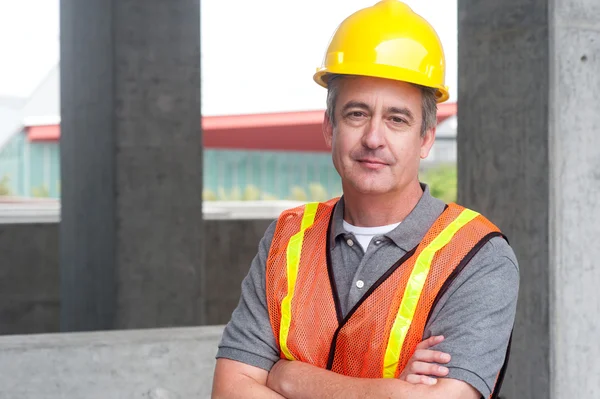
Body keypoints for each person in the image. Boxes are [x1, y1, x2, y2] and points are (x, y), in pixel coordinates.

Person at [211, 1, 519, 398]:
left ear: (425, 138)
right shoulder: (287, 241)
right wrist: (389, 391)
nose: (374, 138)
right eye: (357, 114)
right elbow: (229, 390)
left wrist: (290, 378)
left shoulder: (476, 256)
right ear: (329, 128)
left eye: (397, 119)